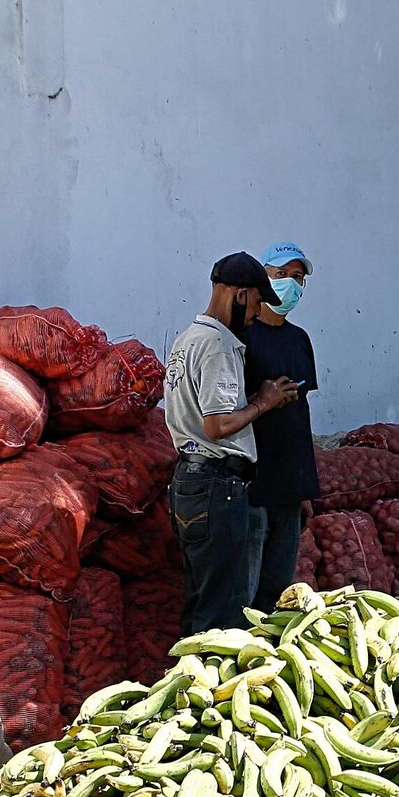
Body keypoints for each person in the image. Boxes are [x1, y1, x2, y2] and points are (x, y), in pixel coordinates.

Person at [163, 252, 301, 635]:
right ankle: (207, 691)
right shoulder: (219, 345)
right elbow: (218, 424)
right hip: (217, 486)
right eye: (257, 303)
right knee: (224, 615)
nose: (258, 315)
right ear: (240, 296)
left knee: (201, 600)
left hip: (189, 483)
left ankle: (185, 683)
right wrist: (264, 401)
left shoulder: (187, 339)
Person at [244, 242, 320, 609]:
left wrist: (304, 485)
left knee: (277, 588)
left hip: (288, 483)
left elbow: (300, 415)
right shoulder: (241, 337)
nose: (291, 284)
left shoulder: (299, 340)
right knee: (245, 589)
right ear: (263, 278)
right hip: (250, 482)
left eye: (298, 278)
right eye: (281, 275)